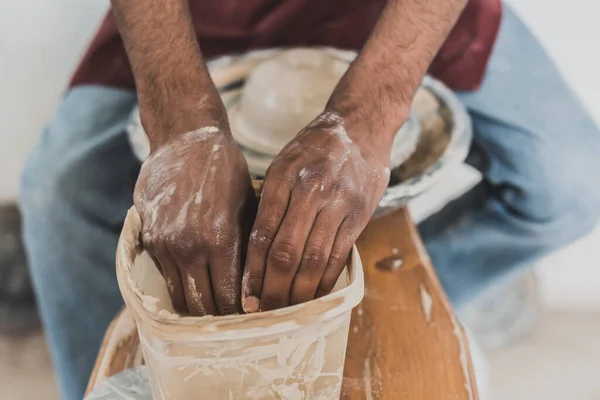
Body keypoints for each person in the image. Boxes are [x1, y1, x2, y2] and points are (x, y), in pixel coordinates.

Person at [19, 0, 600, 398]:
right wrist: (181, 122)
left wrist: (370, 111)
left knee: (574, 181)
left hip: (394, 13)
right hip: (204, 11)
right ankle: (132, 373)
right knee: (55, 192)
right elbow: (170, 121)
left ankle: (386, 302)